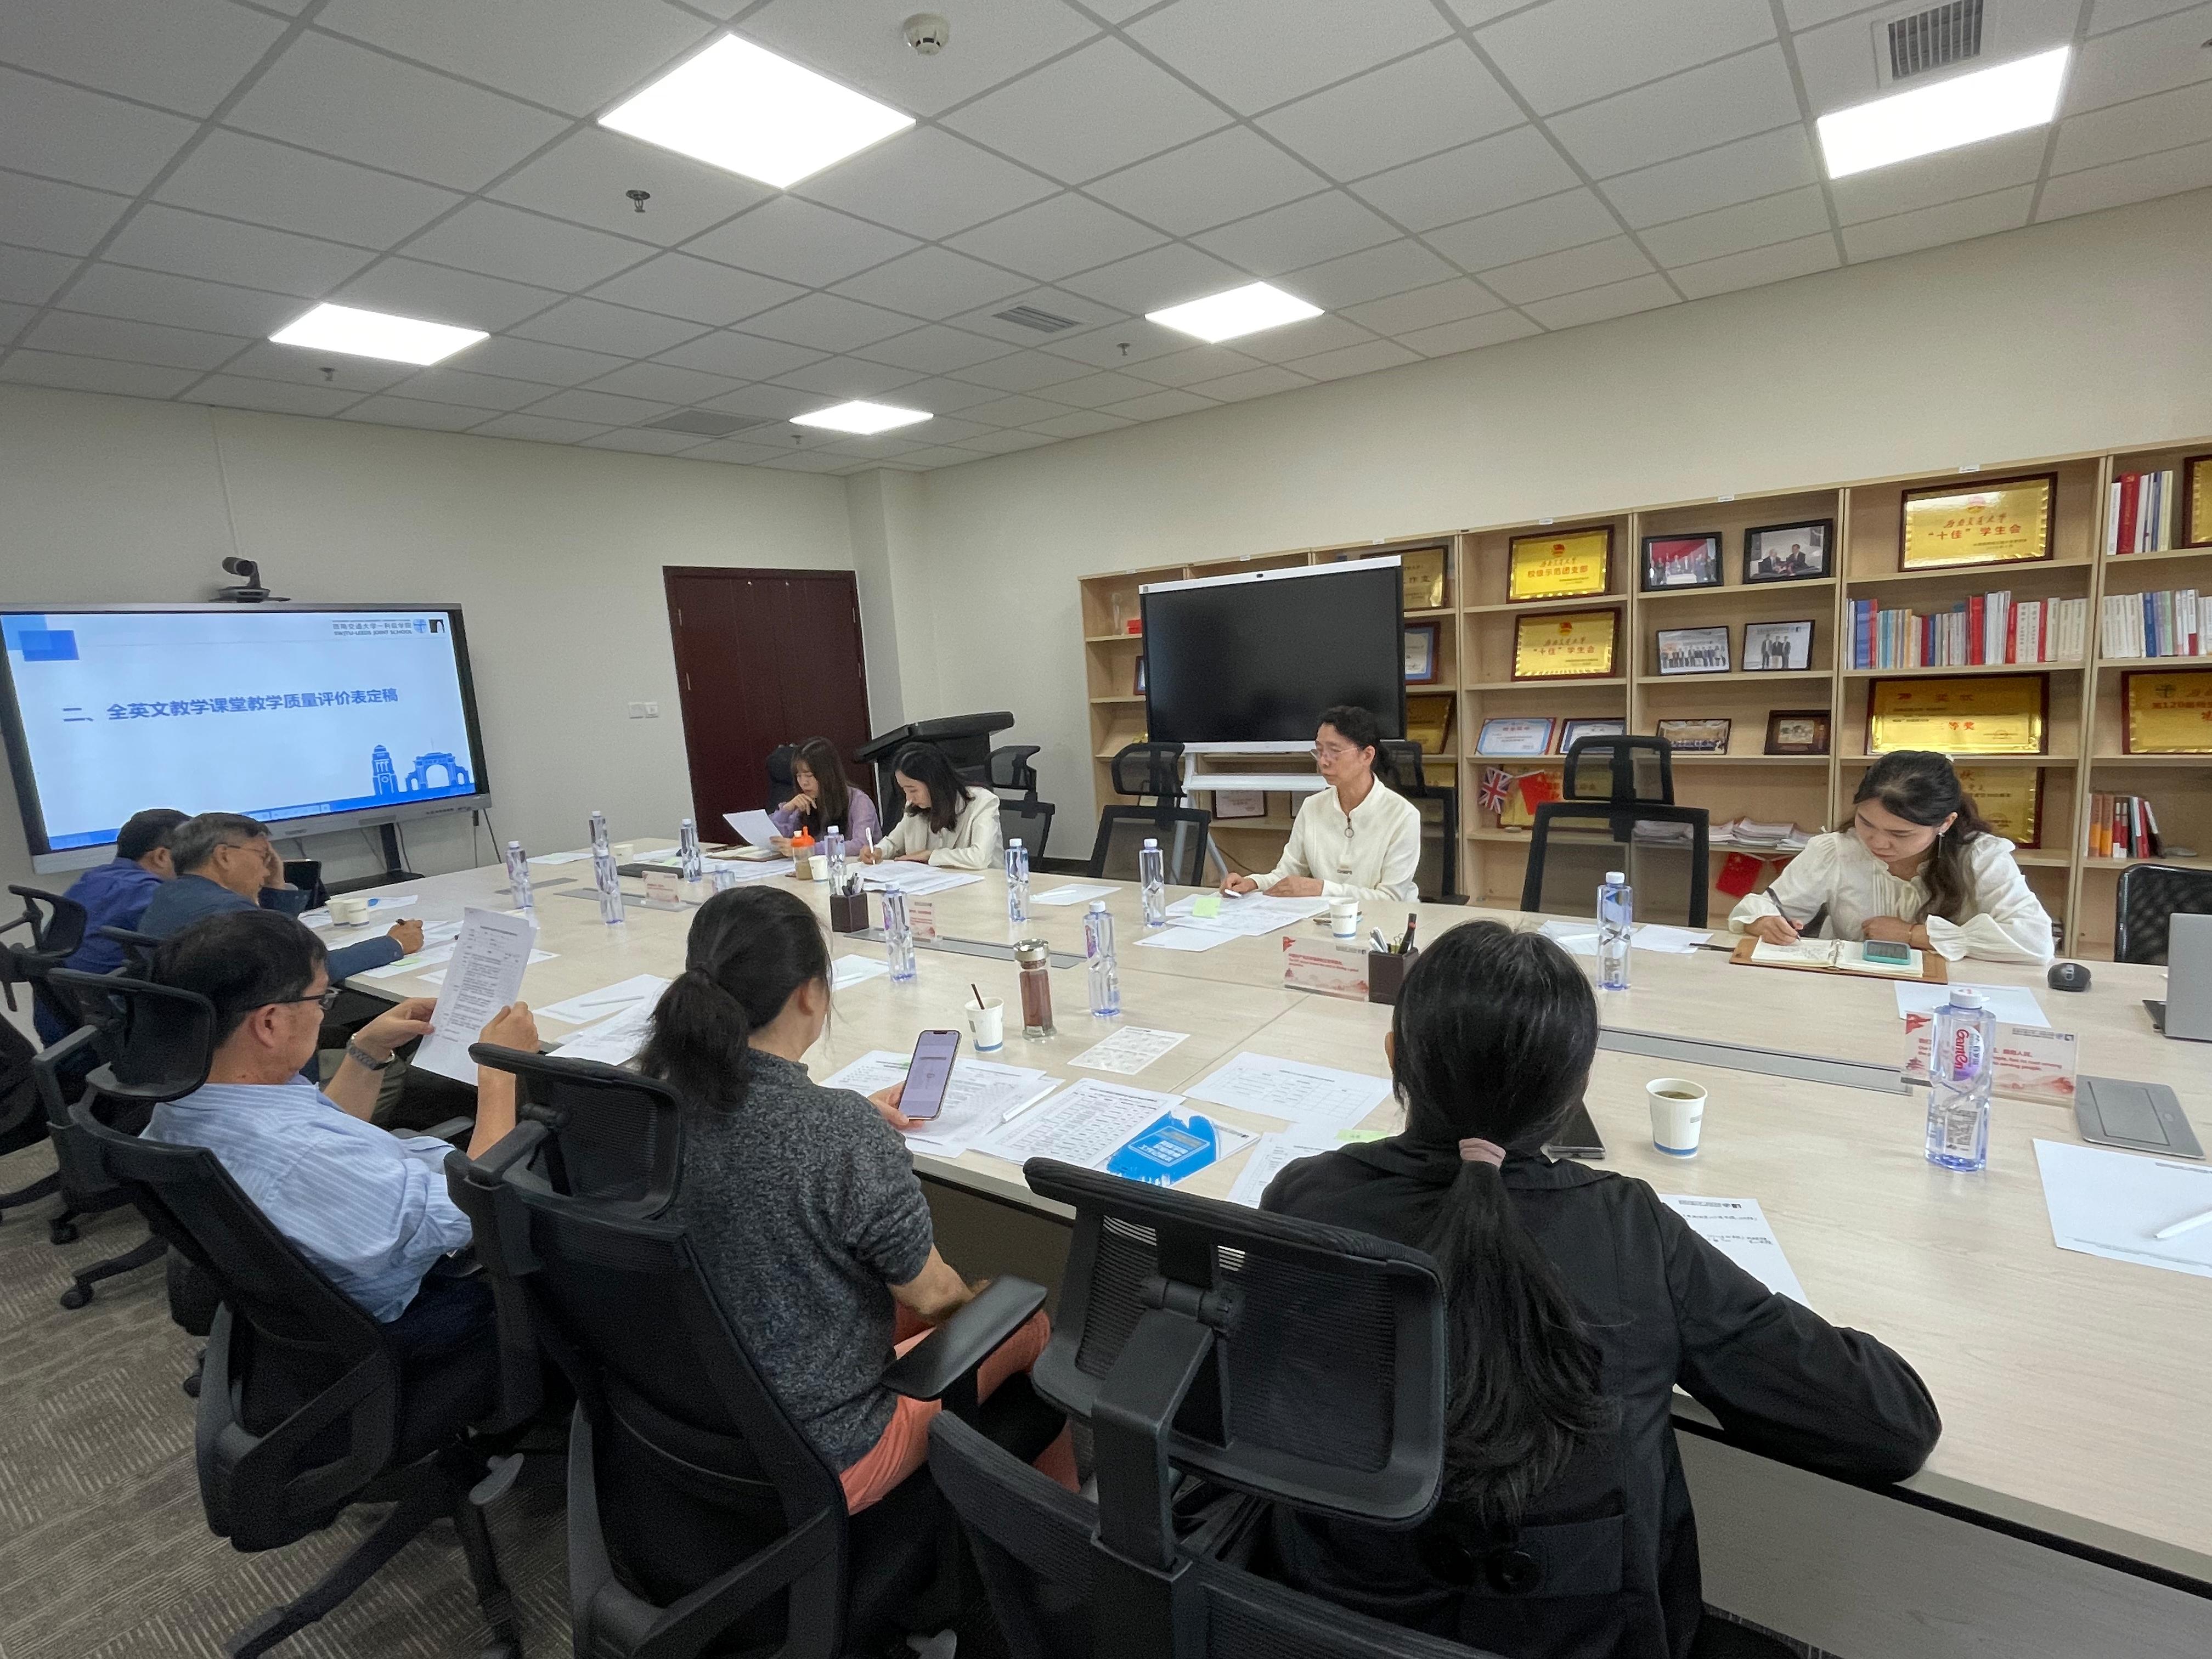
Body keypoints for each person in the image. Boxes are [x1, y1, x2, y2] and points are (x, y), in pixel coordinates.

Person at [1261, 922, 1941, 1658]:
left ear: (1395, 1056)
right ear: (1577, 1088)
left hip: (1329, 1621)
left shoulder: (1304, 1199)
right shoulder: (1629, 1230)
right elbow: (1891, 1426)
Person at [637, 885, 1074, 1512]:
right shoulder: (838, 1134)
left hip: (695, 1420)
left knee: (885, 1292)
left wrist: (848, 1126)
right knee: (1023, 1319)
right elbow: (940, 1300)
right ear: (809, 994)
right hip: (829, 1454)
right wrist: (852, 1135)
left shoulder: (654, 1102)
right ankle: (1063, 1534)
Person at [140, 909, 538, 1358]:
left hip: (317, 1300)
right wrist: (500, 1073)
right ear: (269, 1023)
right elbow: (469, 1213)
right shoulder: (300, 1154)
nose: (321, 1012)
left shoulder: (189, 1102)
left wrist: (368, 1049)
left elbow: (326, 1131)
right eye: (320, 1000)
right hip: (419, 1311)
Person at [1730, 751, 2054, 963]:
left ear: (1945, 823)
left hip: (1949, 994)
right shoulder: (1836, 849)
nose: (1877, 842)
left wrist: (1914, 935)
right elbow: (1767, 907)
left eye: (1900, 834)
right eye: (1866, 823)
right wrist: (1764, 922)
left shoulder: (1981, 855)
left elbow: (2035, 941)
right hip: (1849, 991)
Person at [140, 811, 419, 980]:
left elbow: (275, 948)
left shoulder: (169, 896)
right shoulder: (228, 914)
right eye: (262, 856)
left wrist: (276, 883)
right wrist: (393, 944)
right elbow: (308, 972)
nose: (267, 868)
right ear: (224, 856)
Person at [1223, 704, 1421, 903]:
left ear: (1367, 755)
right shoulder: (1312, 807)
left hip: (1386, 919)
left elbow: (1391, 899)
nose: (1323, 762)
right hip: (1327, 916)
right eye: (1319, 751)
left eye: (1334, 751)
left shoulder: (1402, 815)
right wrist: (1253, 883)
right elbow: (1287, 873)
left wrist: (1322, 889)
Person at [31, 806, 187, 1043]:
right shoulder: (151, 894)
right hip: (113, 1038)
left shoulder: (90, 880)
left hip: (66, 1037)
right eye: (193, 854)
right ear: (162, 857)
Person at [856, 743, 1002, 871]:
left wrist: (930, 855)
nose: (909, 798)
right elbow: (894, 843)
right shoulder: (915, 807)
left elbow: (980, 857)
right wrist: (878, 851)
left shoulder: (982, 803)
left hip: (985, 888)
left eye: (913, 790)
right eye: (905, 790)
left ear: (935, 783)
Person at [770, 736, 880, 853]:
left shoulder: (859, 801)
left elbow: (861, 845)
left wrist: (810, 849)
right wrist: (786, 810)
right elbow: (772, 840)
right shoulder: (804, 803)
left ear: (828, 774)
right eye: (799, 776)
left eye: (809, 775)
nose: (804, 783)